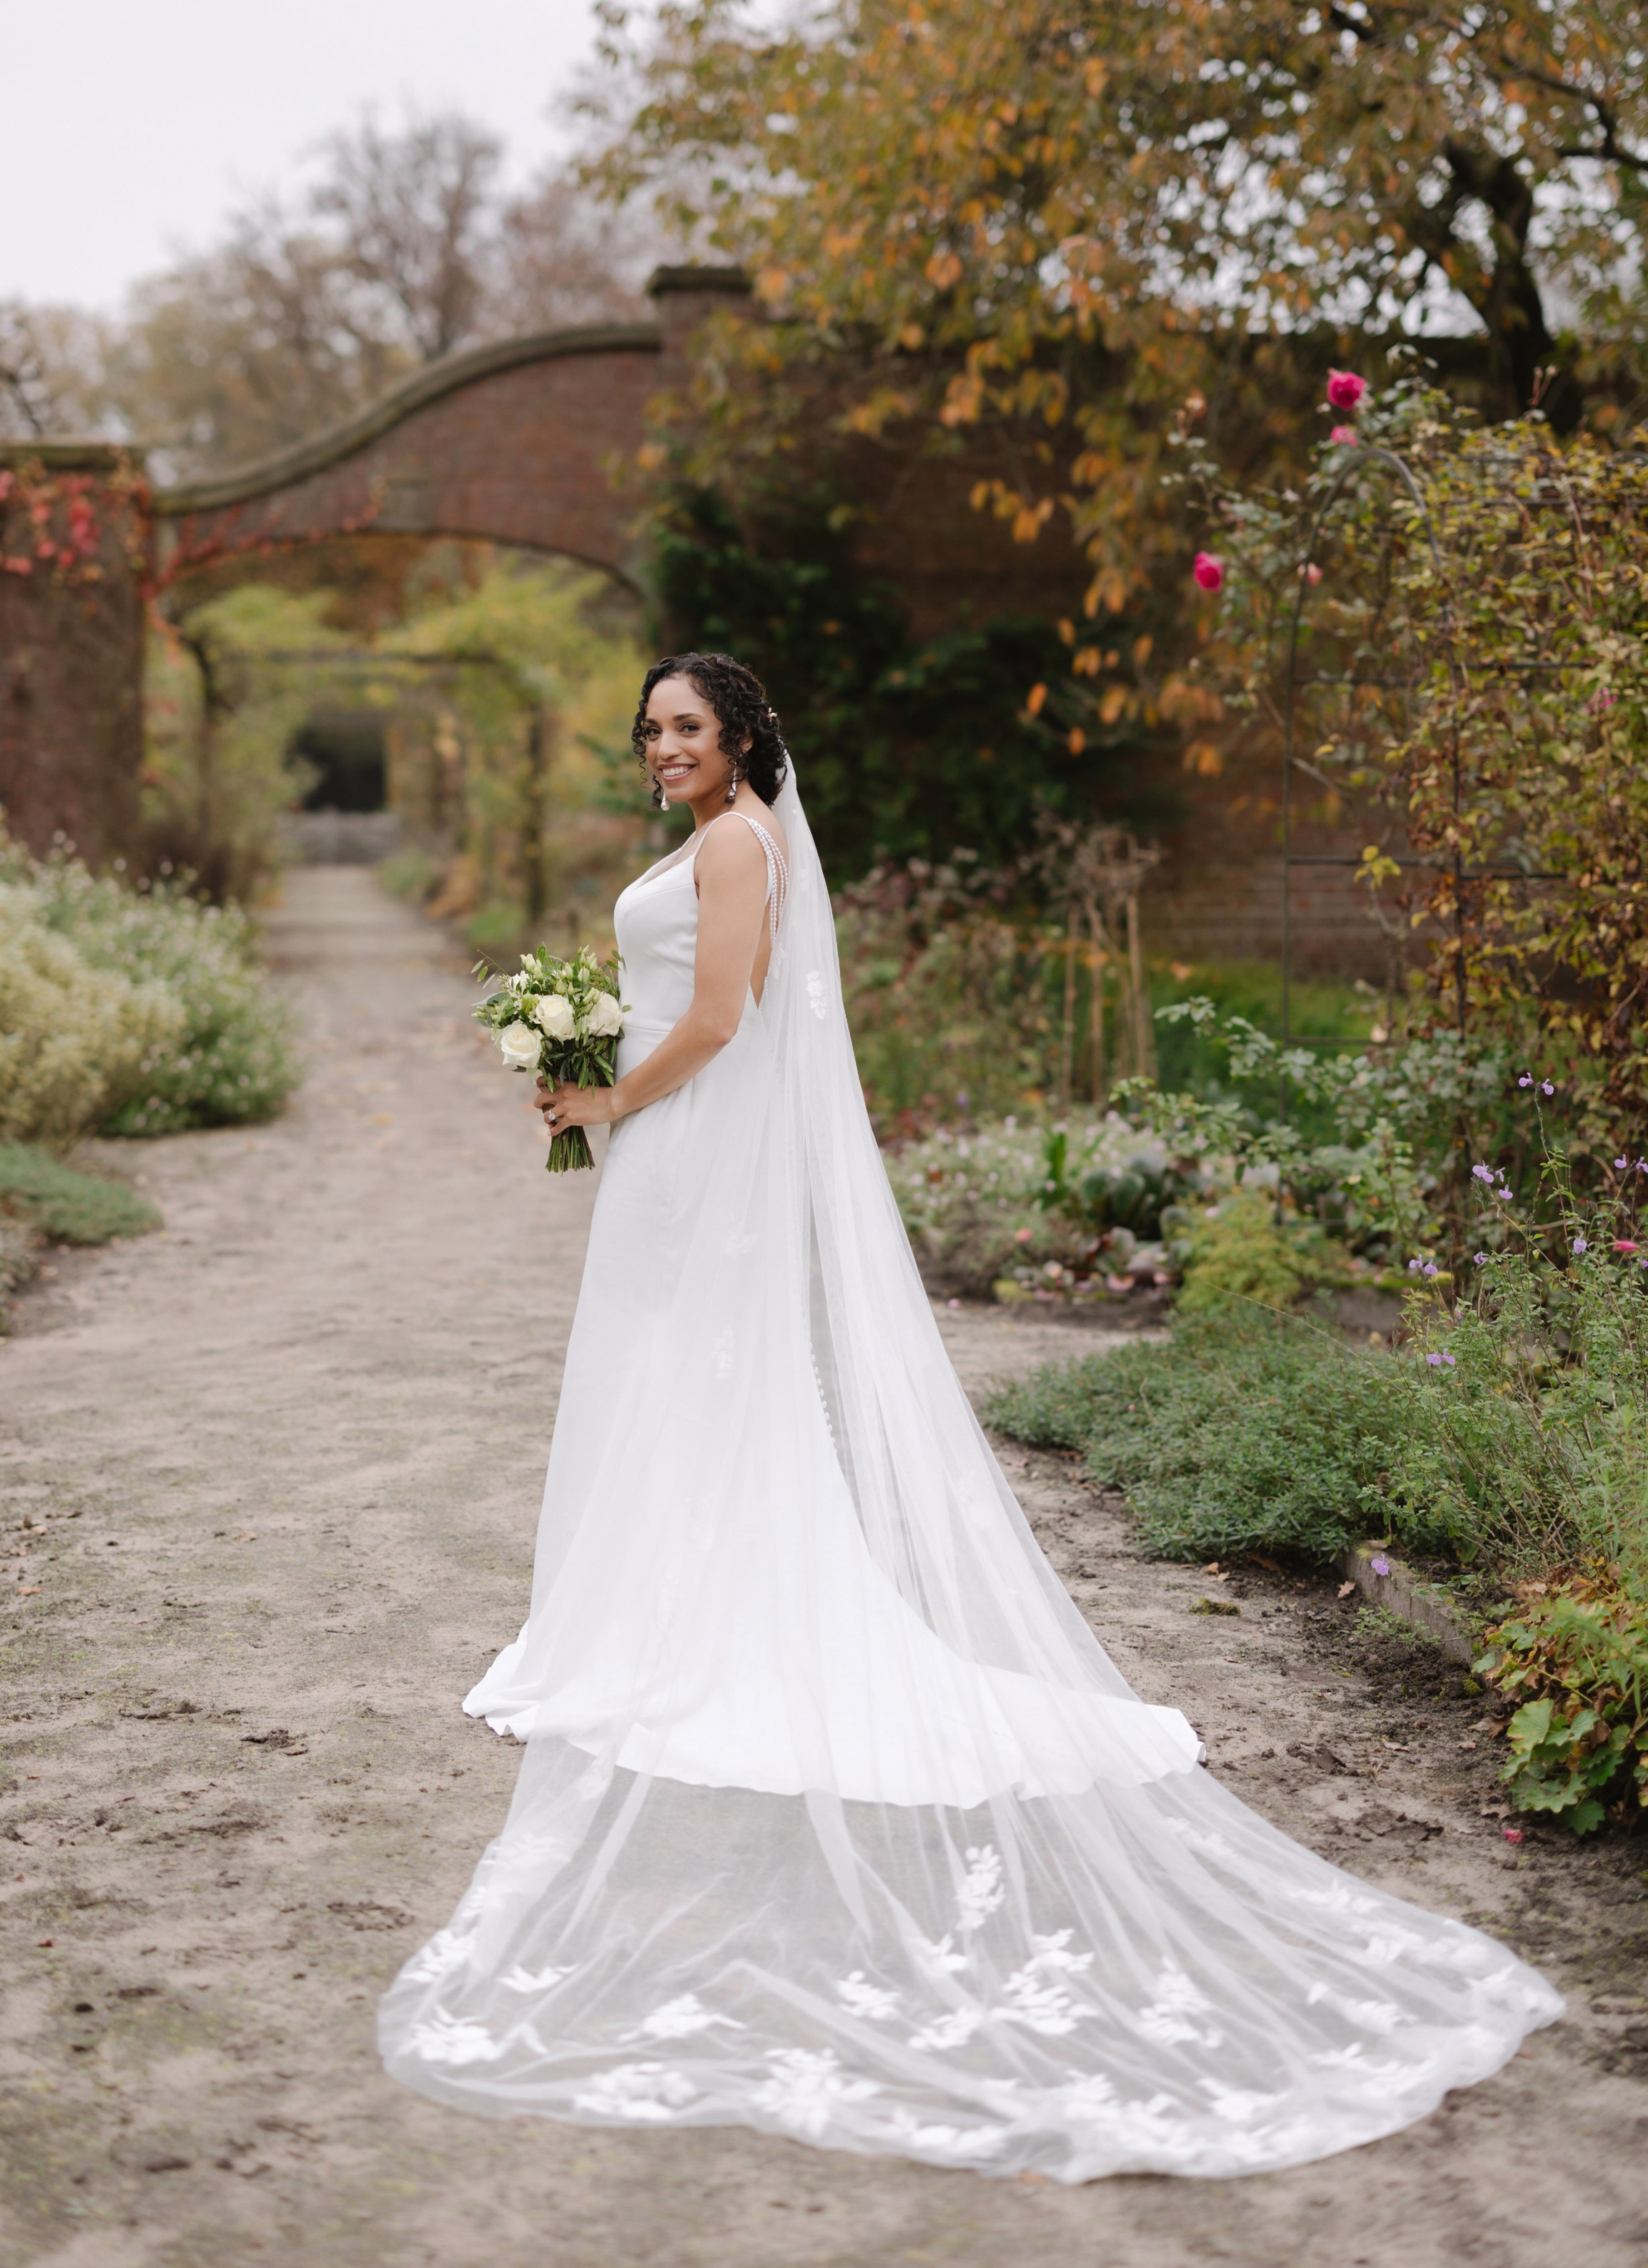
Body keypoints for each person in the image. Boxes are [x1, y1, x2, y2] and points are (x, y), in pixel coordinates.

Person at [380, 653, 1559, 2178]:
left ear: (740, 737)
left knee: (696, 1380)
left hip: (685, 1142)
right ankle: (664, 1603)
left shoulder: (737, 846)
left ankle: (685, 1627)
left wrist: (603, 1095)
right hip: (674, 1152)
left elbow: (725, 1017)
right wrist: (591, 1052)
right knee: (678, 1387)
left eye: (687, 726)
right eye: (651, 728)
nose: (661, 745)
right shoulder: (718, 839)